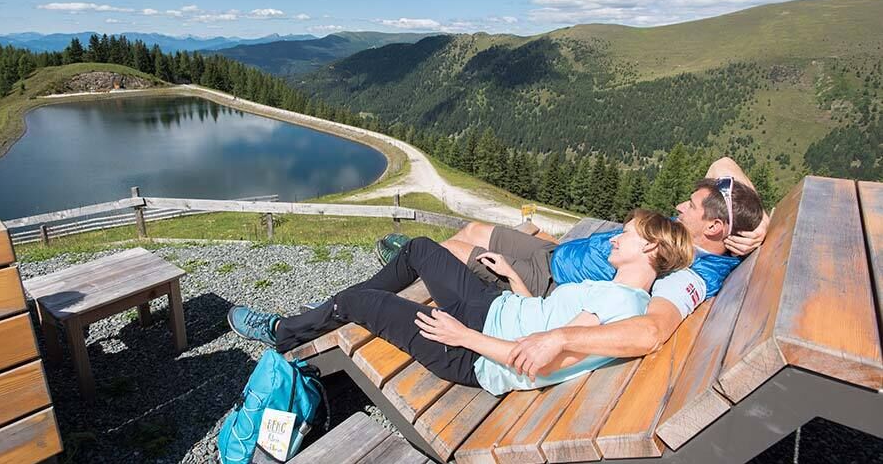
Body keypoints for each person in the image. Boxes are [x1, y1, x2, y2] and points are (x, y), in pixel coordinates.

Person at [227, 210, 693, 395]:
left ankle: (283, 331)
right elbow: (548, 324)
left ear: (652, 249)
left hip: (470, 352)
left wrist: (460, 334)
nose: (617, 237)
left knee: (354, 299)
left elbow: (540, 361)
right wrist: (515, 280)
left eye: (627, 235)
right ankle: (353, 306)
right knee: (420, 248)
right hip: (493, 311)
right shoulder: (618, 293)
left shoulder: (626, 308)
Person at [436, 157, 767, 380]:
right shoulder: (692, 233)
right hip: (556, 253)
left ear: (714, 227)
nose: (680, 206)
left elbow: (651, 332)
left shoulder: (690, 274)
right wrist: (761, 222)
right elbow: (724, 163)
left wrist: (561, 338)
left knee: (444, 251)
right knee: (473, 230)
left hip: (547, 283)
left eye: (691, 206)